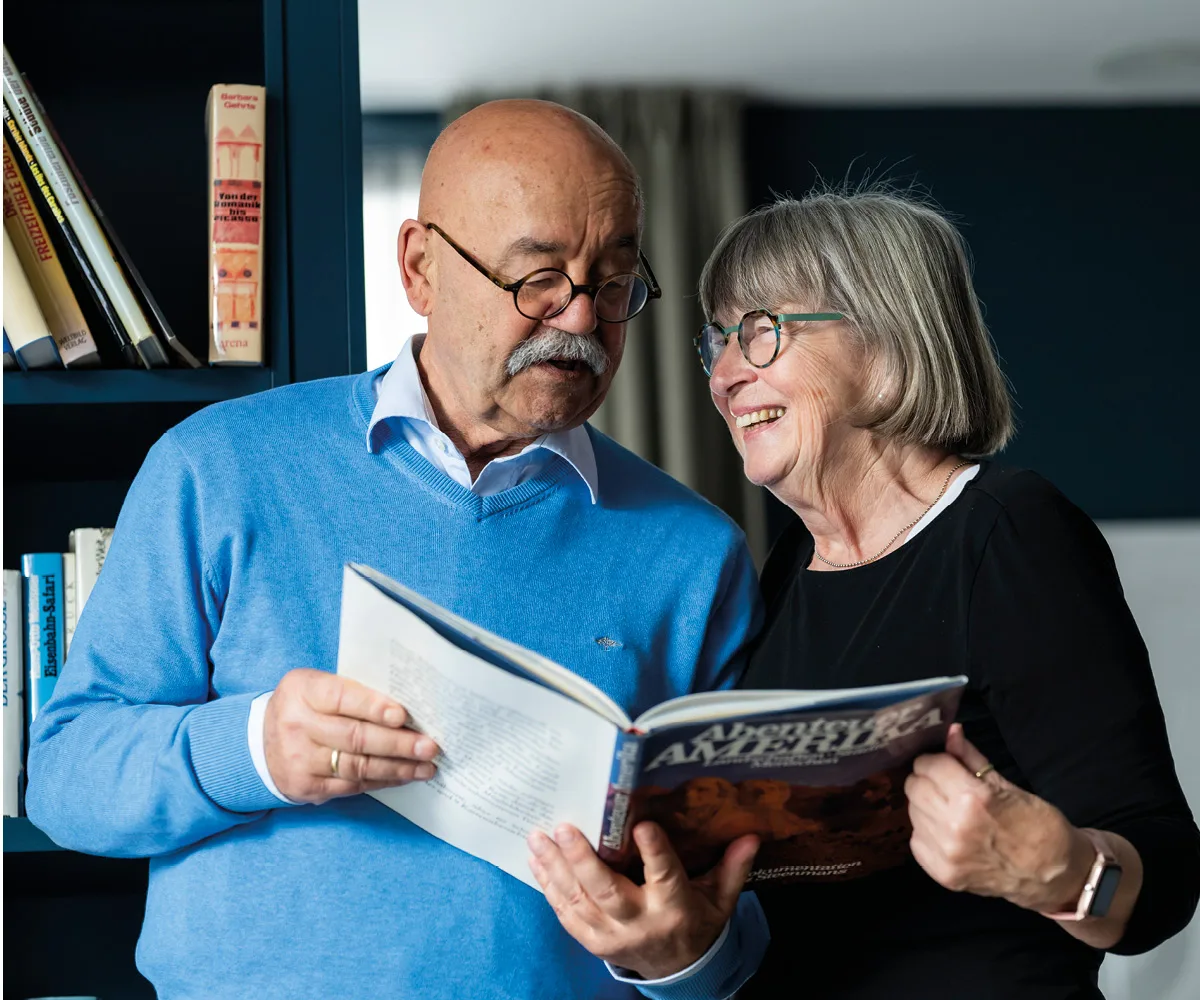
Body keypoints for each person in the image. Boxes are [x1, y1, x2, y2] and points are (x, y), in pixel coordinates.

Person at [25, 100, 767, 1000]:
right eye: (537, 277)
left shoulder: (694, 554)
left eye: (612, 284)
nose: (579, 318)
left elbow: (739, 909)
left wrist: (681, 958)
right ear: (421, 267)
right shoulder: (216, 467)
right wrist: (257, 749)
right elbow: (68, 778)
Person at [535, 188, 1200, 998]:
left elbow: (1161, 872)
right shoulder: (779, 573)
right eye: (718, 342)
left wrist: (1058, 872)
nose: (726, 377)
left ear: (886, 340)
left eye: (761, 332)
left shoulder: (1006, 532)